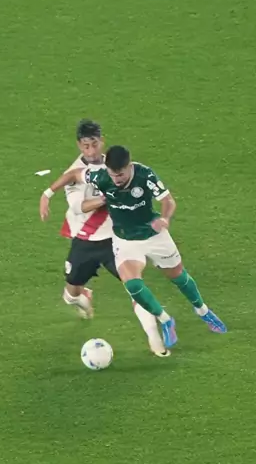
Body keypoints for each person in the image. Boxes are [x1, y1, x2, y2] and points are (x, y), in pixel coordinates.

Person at [40, 144, 227, 348]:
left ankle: (203, 311)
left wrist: (165, 218)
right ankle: (166, 320)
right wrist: (47, 194)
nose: (116, 180)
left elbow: (168, 201)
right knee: (133, 285)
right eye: (112, 174)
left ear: (129, 166)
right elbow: (74, 174)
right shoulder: (101, 176)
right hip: (125, 240)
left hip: (153, 234)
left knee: (178, 277)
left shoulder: (145, 175)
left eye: (120, 174)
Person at [54, 120, 171, 357]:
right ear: (79, 145)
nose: (91, 151)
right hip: (86, 241)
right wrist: (108, 196)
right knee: (70, 294)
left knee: (135, 287)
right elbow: (79, 207)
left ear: (102, 141)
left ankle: (155, 338)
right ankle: (82, 297)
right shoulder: (75, 174)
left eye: (94, 144)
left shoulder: (116, 165)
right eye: (85, 146)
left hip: (117, 240)